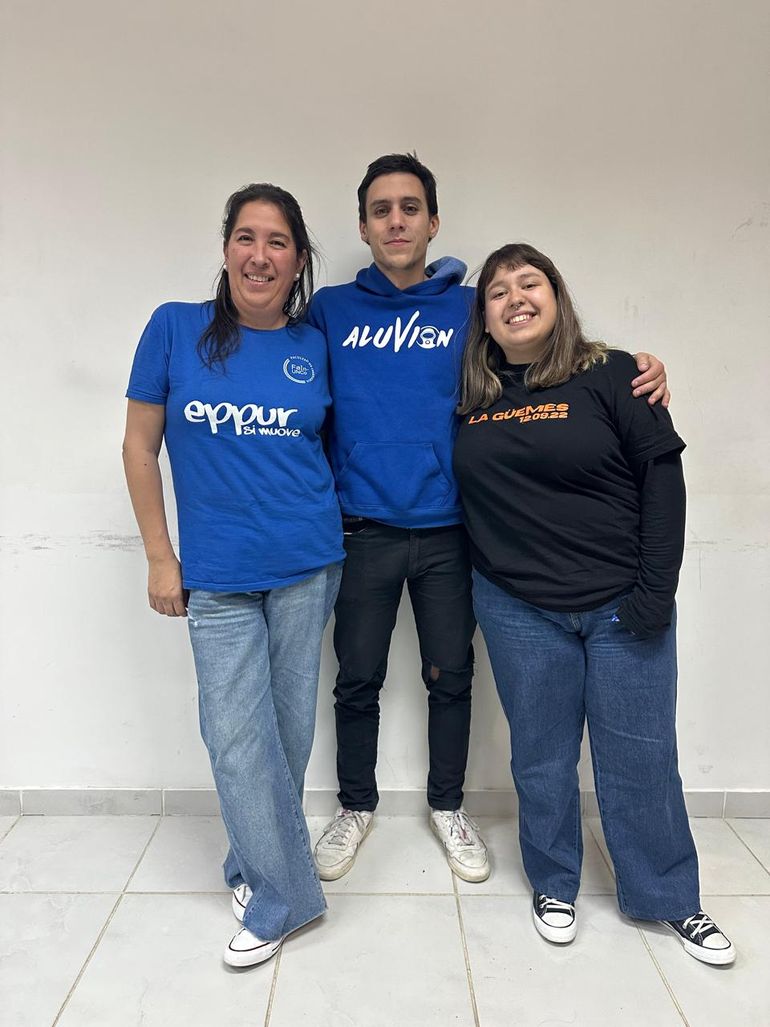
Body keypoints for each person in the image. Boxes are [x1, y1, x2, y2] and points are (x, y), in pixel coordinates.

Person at [309, 154, 669, 885]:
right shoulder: (330, 310)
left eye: (411, 207)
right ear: (363, 226)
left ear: (433, 221)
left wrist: (638, 365)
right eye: (382, 210)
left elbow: (547, 352)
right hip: (362, 529)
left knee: (452, 674)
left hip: (453, 531)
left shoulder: (472, 306)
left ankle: (447, 805)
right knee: (358, 677)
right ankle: (355, 804)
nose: (397, 220)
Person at [453, 242, 734, 965]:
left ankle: (668, 895)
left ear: (556, 295)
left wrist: (655, 591)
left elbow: (661, 479)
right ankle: (554, 880)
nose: (515, 298)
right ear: (482, 316)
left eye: (529, 282)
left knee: (640, 757)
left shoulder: (612, 375)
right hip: (518, 607)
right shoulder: (470, 396)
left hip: (621, 604)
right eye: (497, 291)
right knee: (541, 759)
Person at [122, 184, 344, 968]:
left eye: (278, 241)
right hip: (215, 575)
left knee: (282, 733)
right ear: (225, 249)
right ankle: (288, 899)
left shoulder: (314, 344)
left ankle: (251, 865)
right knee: (235, 734)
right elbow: (138, 447)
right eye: (246, 237)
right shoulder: (175, 328)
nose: (260, 254)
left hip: (308, 563)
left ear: (298, 259)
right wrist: (160, 555)